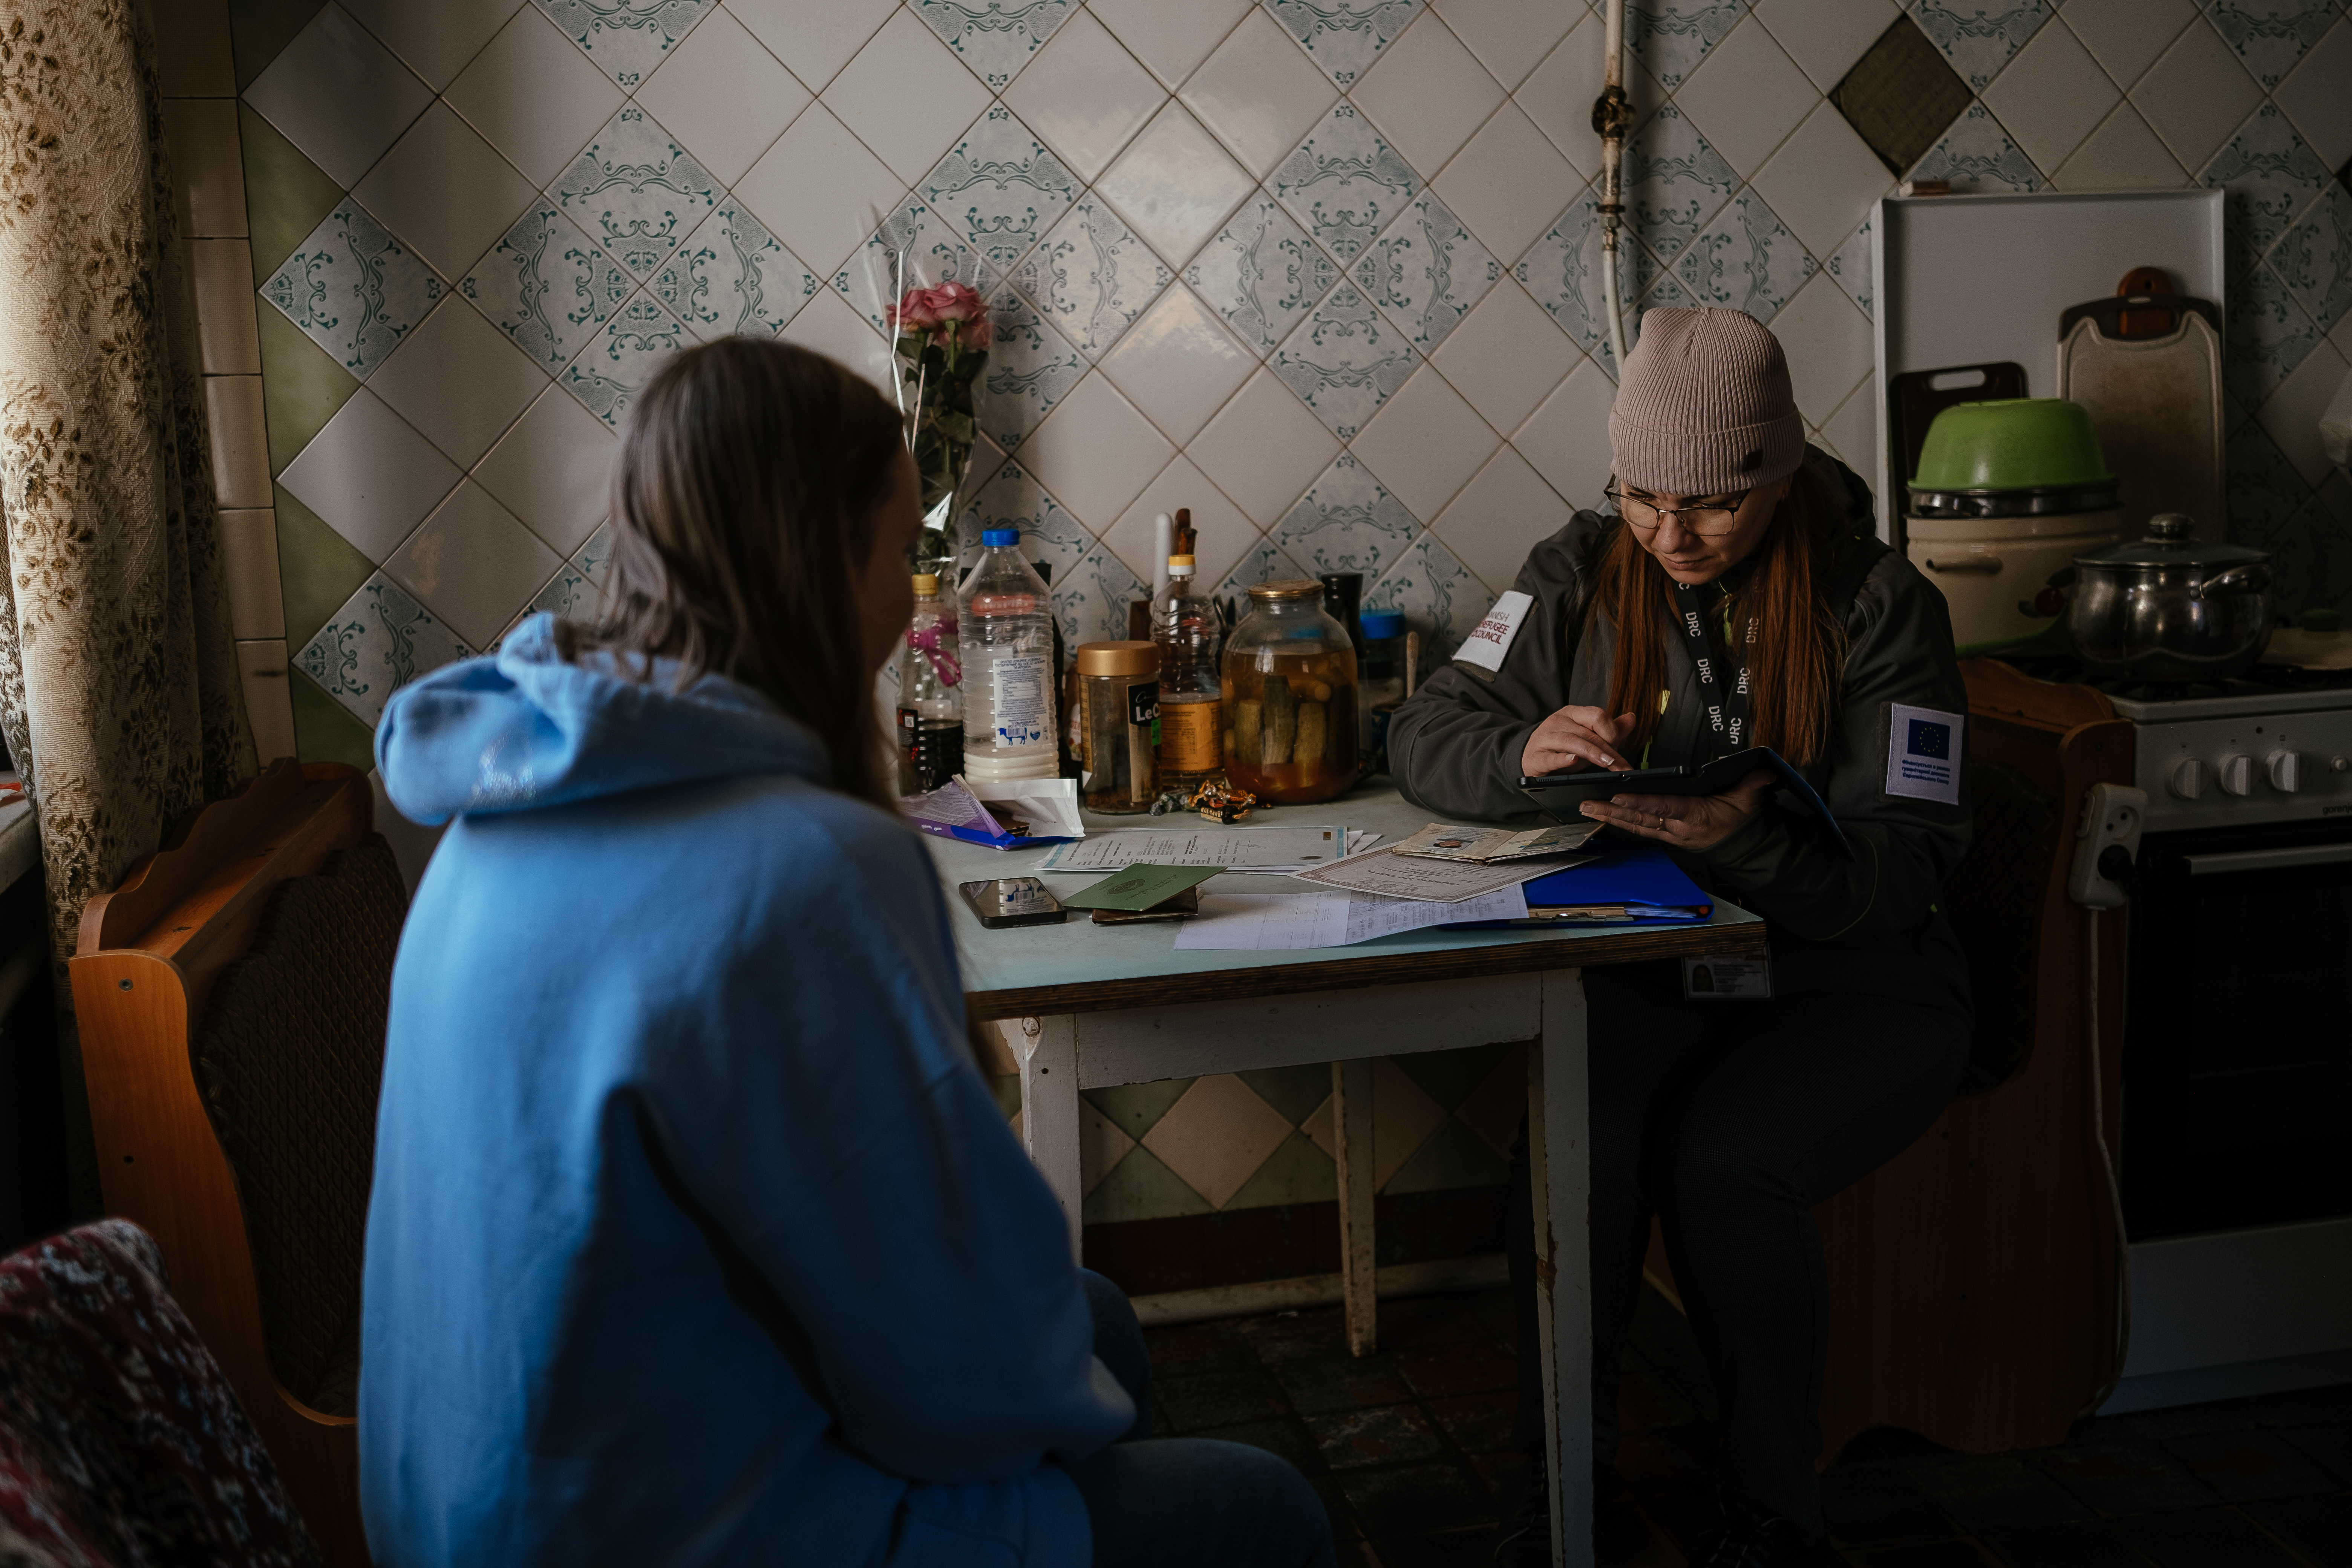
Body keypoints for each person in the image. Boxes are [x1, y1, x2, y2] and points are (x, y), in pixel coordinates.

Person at [361, 337, 1334, 1568]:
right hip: (659, 1535)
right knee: (1256, 1507)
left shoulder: (505, 803)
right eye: (905, 549)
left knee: (1090, 1327)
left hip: (470, 1506)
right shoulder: (807, 866)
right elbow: (950, 1349)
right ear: (832, 556)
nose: (914, 592)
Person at [1387, 308, 1972, 1567]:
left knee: (1723, 1167)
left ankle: (1772, 1518)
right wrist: (1516, 747)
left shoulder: (1882, 606)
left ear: (1777, 471)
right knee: (1572, 1154)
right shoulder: (1581, 565)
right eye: (1644, 494)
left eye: (1711, 501)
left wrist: (1741, 838)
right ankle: (1558, 1507)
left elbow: (1906, 876)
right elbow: (1426, 729)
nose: (1671, 533)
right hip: (1664, 968)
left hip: (1856, 987)